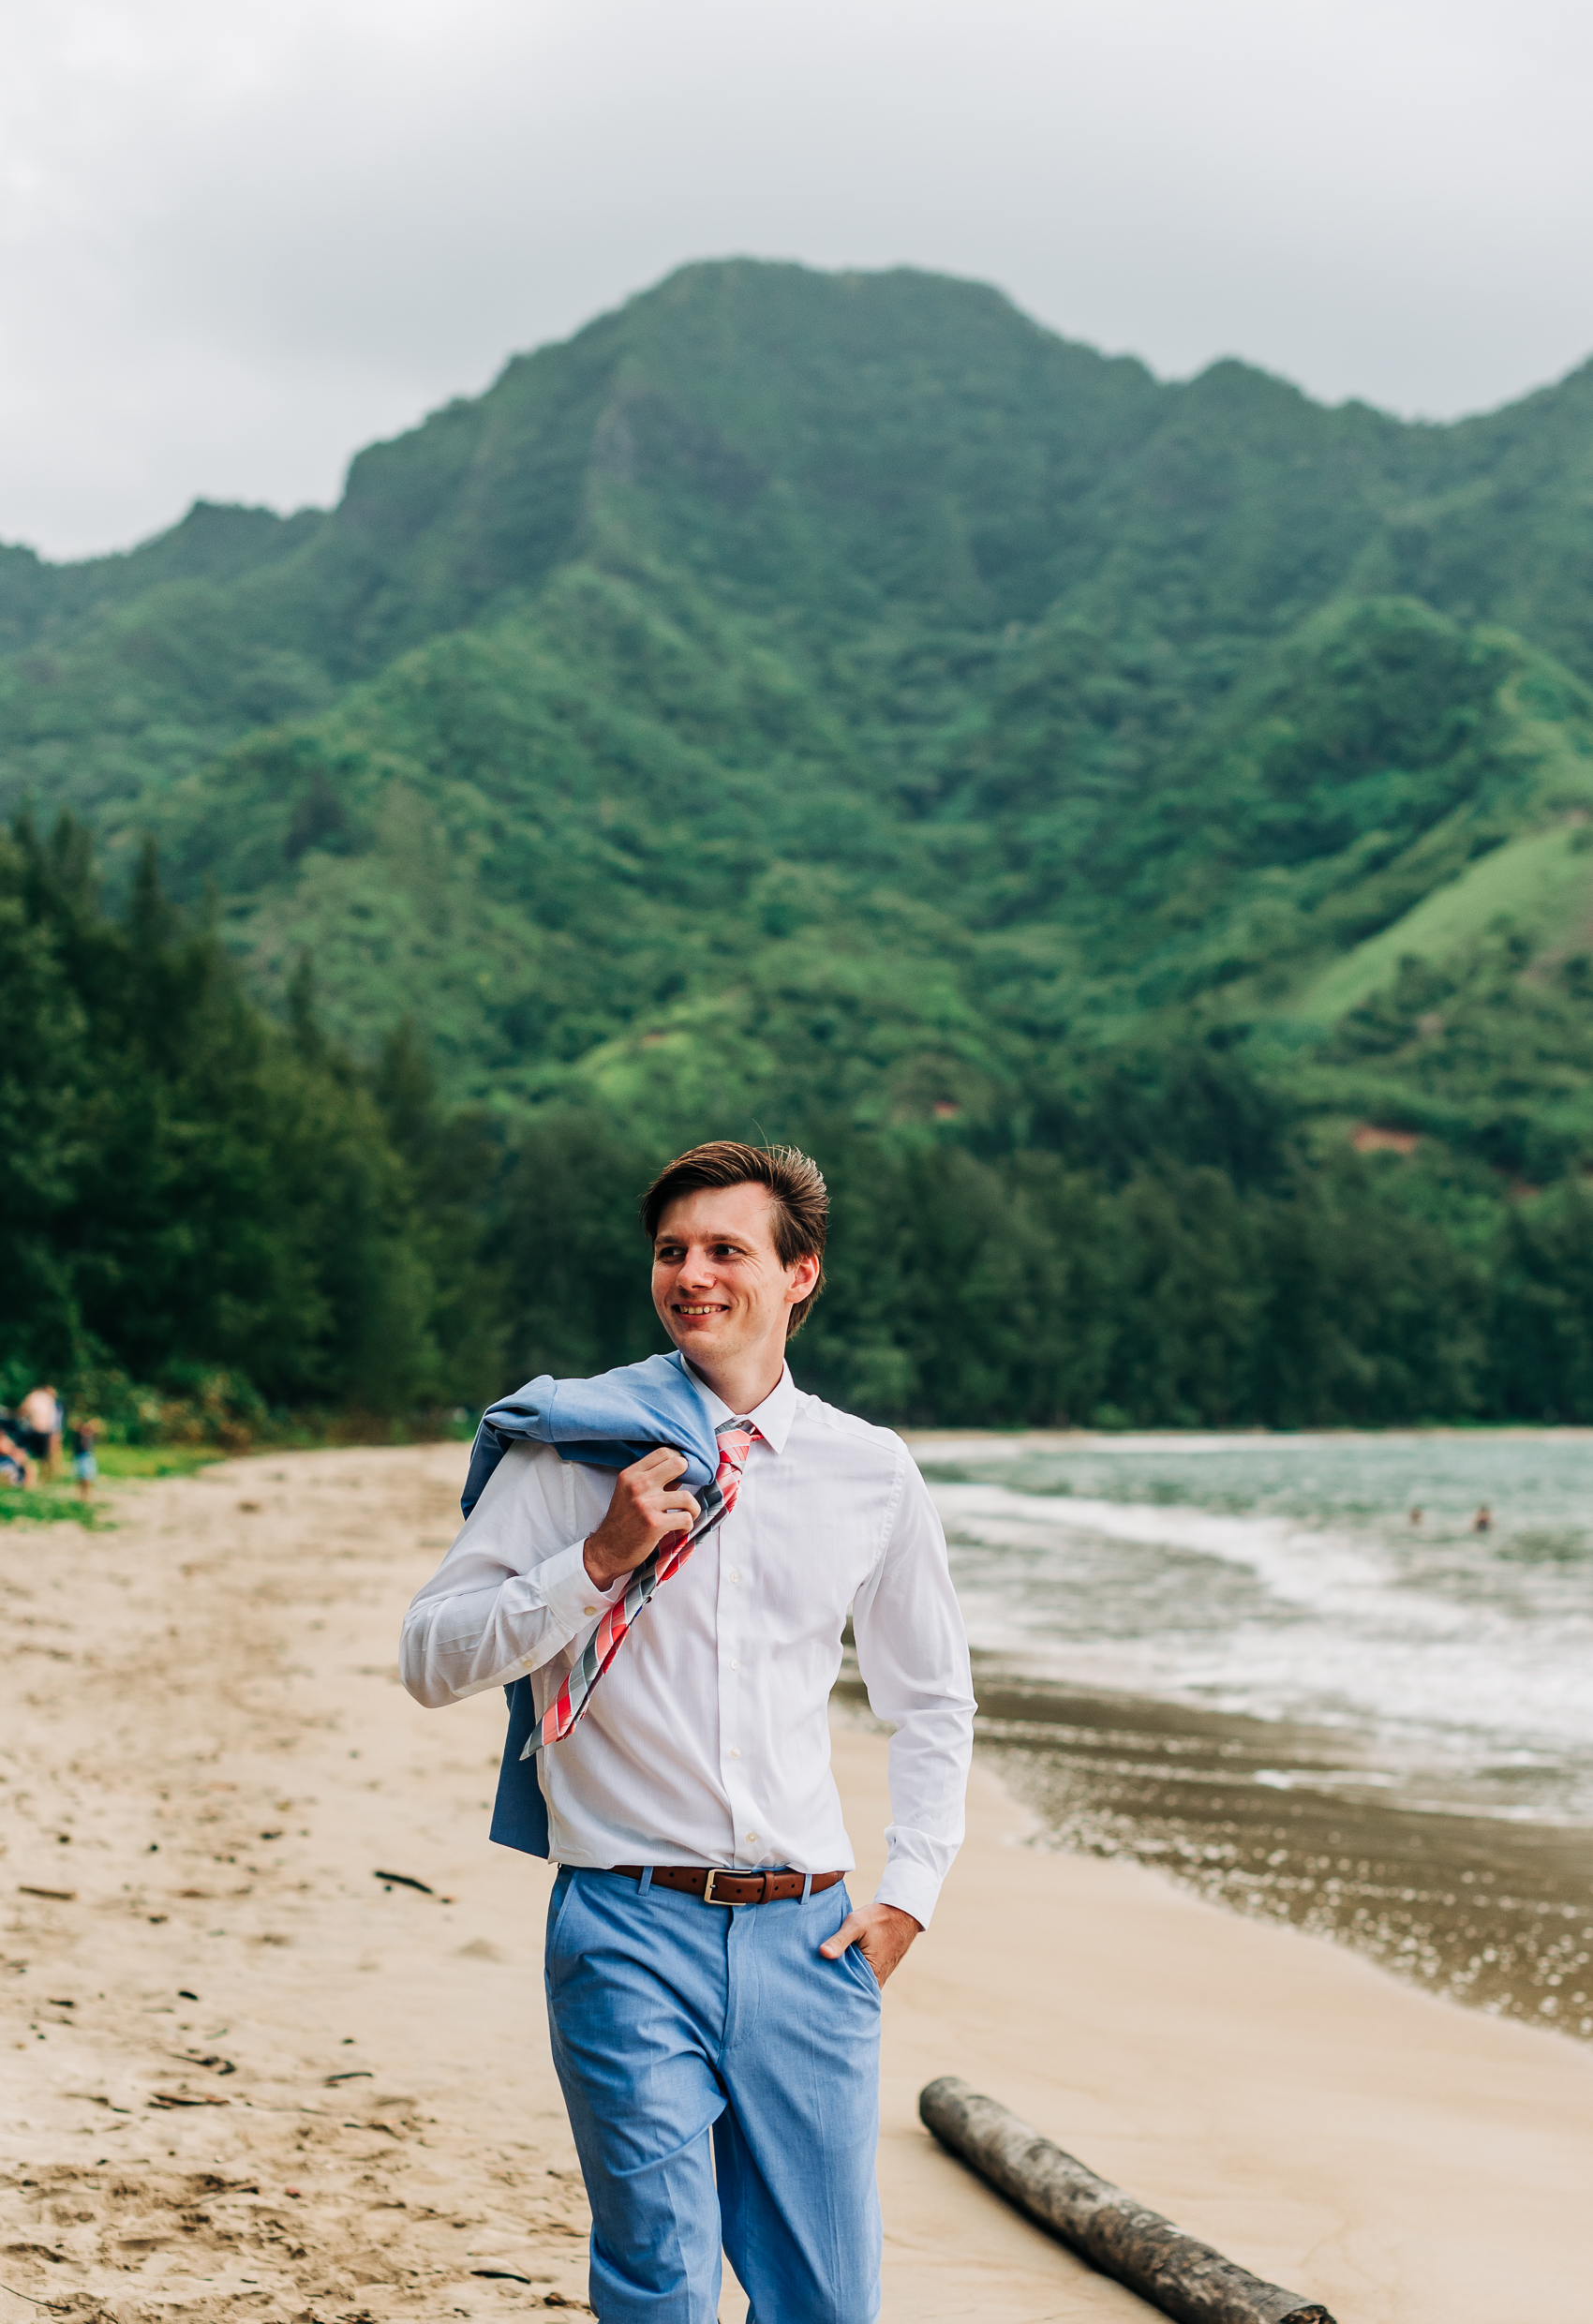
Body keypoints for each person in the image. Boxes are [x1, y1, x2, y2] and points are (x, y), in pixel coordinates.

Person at [402, 1141, 975, 2324]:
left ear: (797, 1273)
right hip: (623, 1922)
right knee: (658, 2282)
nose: (693, 1274)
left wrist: (908, 1889)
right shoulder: (573, 1446)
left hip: (811, 1938)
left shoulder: (868, 1470)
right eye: (673, 1250)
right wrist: (596, 1561)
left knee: (825, 2300)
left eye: (727, 1249)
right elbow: (428, 1655)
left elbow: (930, 1697)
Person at [15, 1383, 64, 1474]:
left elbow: (22, 1410)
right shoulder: (49, 1400)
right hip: (45, 1430)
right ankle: (44, 1474)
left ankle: (32, 1473)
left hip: (35, 1430)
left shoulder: (34, 1397)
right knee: (44, 1455)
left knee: (30, 1453)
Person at [70, 1417, 101, 1502]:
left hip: (86, 1458)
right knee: (80, 1478)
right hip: (79, 1458)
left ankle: (86, 1496)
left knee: (86, 1478)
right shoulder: (77, 1436)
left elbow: (96, 1423)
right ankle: (82, 1496)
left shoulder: (89, 1435)